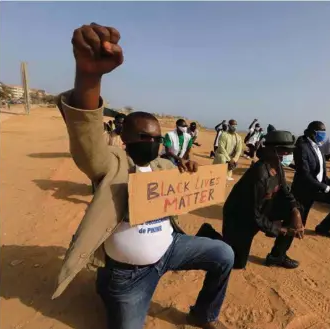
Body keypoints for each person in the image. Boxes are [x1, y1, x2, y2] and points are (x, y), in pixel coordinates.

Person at [55, 23, 233, 329]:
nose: (154, 142)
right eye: (145, 137)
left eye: (157, 137)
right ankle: (105, 284)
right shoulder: (111, 165)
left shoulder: (164, 166)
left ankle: (203, 313)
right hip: (128, 275)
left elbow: (178, 192)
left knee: (224, 254)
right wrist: (89, 76)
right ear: (126, 139)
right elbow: (88, 141)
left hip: (170, 249)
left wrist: (187, 172)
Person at [198, 131, 305, 269]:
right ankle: (208, 234)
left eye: (288, 151)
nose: (286, 154)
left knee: (297, 208)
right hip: (240, 218)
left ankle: (277, 256)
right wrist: (280, 229)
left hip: (263, 208)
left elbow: (285, 190)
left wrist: (295, 212)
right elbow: (253, 215)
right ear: (270, 150)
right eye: (283, 151)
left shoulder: (277, 165)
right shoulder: (259, 174)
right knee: (236, 262)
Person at [292, 121, 330, 240]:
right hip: (305, 189)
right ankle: (276, 256)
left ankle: (323, 228)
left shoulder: (317, 147)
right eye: (321, 132)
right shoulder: (302, 147)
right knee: (296, 226)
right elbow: (304, 175)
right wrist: (327, 188)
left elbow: (322, 175)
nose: (324, 135)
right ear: (313, 133)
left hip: (319, 188)